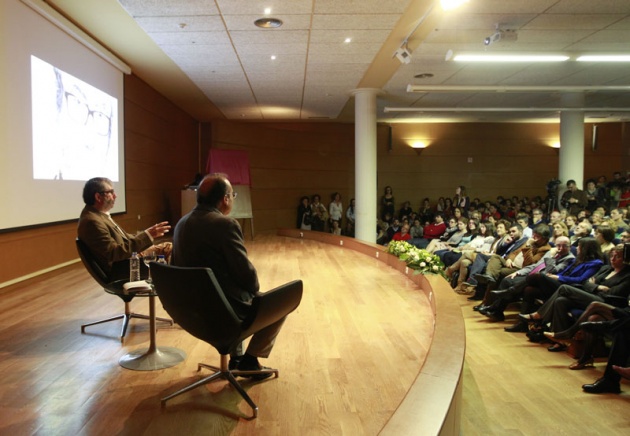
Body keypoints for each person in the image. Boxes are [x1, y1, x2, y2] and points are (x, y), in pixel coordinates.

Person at [172, 173, 287, 379]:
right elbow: (248, 277)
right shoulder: (225, 225)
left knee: (232, 291)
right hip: (220, 311)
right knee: (282, 299)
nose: (233, 198)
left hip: (187, 311)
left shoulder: (181, 223)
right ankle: (249, 360)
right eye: (232, 194)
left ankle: (236, 359)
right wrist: (254, 291)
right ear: (225, 199)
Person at [77, 177, 171, 281]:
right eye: (111, 192)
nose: (115, 196)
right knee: (168, 249)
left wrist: (146, 234)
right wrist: (148, 235)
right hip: (122, 267)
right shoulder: (92, 221)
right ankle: (172, 287)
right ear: (98, 197)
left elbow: (124, 239)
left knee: (167, 246)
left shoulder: (98, 215)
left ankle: (170, 284)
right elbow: (114, 253)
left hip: (126, 259)